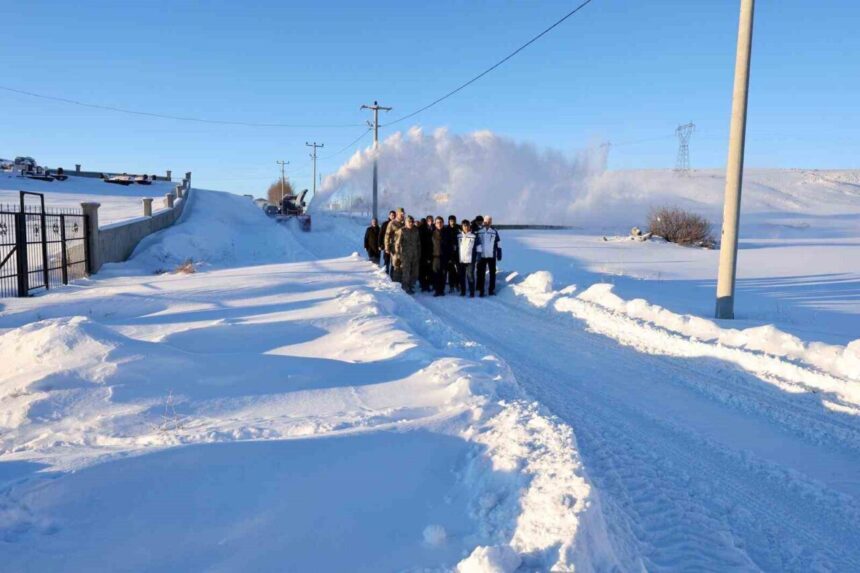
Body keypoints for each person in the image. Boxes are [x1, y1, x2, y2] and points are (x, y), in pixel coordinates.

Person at [395, 215, 421, 294]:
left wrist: (419, 253)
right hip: (405, 255)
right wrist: (398, 256)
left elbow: (418, 243)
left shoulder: (416, 230)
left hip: (415, 254)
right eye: (409, 222)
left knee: (414, 272)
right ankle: (405, 287)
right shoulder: (402, 231)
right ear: (405, 222)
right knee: (406, 272)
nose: (411, 223)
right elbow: (397, 244)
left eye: (412, 222)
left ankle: (410, 285)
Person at [476, 215, 501, 296]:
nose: (488, 223)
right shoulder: (480, 231)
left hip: (491, 256)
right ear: (484, 222)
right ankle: (481, 290)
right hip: (482, 256)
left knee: (492, 274)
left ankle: (491, 290)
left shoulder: (494, 231)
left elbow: (498, 243)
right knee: (481, 273)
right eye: (486, 221)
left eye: (490, 221)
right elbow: (476, 243)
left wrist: (499, 252)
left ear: (491, 222)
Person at [455, 219, 478, 297]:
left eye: (467, 225)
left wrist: (477, 258)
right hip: (461, 259)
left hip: (470, 260)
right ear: (462, 226)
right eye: (464, 226)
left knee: (470, 276)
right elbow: (456, 248)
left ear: (469, 226)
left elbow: (478, 248)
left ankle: (472, 292)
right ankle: (463, 291)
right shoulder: (458, 236)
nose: (466, 227)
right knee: (462, 276)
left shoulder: (474, 236)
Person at [431, 216, 453, 297]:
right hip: (435, 256)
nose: (439, 224)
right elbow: (429, 246)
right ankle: (437, 290)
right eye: (437, 222)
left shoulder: (447, 233)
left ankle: (442, 290)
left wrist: (450, 257)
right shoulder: (432, 233)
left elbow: (450, 246)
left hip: (445, 257)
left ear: (443, 223)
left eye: (440, 222)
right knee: (436, 274)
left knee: (443, 274)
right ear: (435, 224)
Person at [384, 209, 405, 280]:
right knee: (395, 265)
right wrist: (387, 247)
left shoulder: (404, 223)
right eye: (401, 214)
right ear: (397, 214)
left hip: (403, 248)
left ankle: (401, 283)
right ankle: (394, 283)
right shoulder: (392, 223)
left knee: (401, 266)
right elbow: (387, 236)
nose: (402, 215)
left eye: (403, 214)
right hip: (395, 248)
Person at [444, 215, 459, 293]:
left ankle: (457, 284)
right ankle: (451, 286)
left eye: (453, 221)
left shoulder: (458, 228)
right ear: (449, 221)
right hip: (449, 253)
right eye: (451, 221)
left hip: (458, 253)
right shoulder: (446, 230)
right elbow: (445, 242)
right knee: (451, 270)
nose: (452, 222)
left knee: (458, 270)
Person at [417, 217, 432, 292]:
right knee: (427, 271)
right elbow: (430, 243)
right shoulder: (428, 230)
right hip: (427, 253)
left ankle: (423, 285)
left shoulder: (418, 230)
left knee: (422, 271)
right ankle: (427, 285)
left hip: (421, 254)